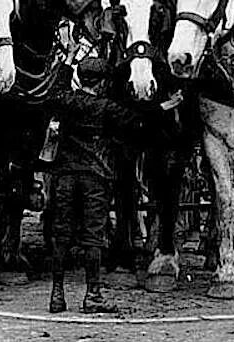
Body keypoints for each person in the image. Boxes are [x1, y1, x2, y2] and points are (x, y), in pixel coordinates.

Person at [42, 57, 156, 314]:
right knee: (93, 237)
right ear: (103, 82)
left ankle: (57, 295)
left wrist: (66, 62)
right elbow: (139, 120)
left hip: (65, 176)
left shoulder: (65, 101)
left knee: (62, 234)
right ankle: (92, 295)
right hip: (96, 177)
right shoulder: (107, 108)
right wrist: (163, 106)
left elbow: (54, 90)